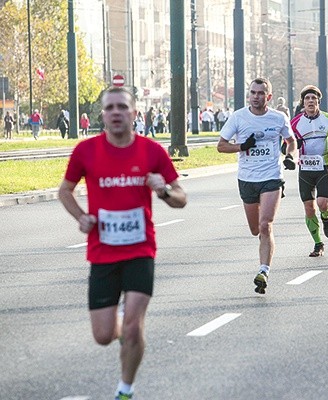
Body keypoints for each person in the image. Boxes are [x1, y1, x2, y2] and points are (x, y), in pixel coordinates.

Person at [58, 87, 187, 400]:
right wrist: (81, 217)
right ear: (102, 115)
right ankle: (123, 331)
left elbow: (181, 198)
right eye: (109, 108)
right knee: (104, 335)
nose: (115, 112)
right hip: (102, 251)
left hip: (140, 249)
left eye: (122, 107)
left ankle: (125, 390)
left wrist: (164, 192)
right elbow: (65, 190)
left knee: (132, 326)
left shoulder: (151, 151)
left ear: (133, 113)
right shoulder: (85, 151)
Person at [217, 77, 296, 294]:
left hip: (271, 176)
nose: (255, 97)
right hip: (247, 178)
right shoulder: (238, 117)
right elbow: (221, 146)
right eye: (253, 92)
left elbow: (291, 141)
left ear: (268, 97)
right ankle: (264, 245)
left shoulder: (278, 118)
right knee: (255, 230)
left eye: (260, 93)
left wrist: (289, 156)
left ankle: (264, 271)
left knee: (265, 225)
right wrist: (243, 146)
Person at [290, 85, 328, 257]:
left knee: (322, 203)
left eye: (313, 98)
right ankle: (318, 244)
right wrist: (291, 153)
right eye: (307, 98)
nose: (310, 101)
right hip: (305, 169)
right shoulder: (295, 123)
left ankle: (327, 217)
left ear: (318, 101)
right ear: (303, 102)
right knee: (309, 208)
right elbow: (287, 144)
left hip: (323, 166)